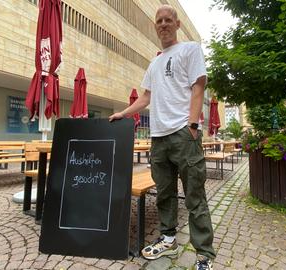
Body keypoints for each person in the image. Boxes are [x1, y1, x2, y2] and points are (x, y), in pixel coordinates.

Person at [109, 5, 215, 269]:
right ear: (155, 26)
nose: (164, 24)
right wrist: (123, 113)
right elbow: (146, 97)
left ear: (177, 24)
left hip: (183, 133)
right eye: (160, 21)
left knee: (195, 196)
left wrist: (192, 125)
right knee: (164, 194)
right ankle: (168, 238)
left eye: (169, 20)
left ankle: (204, 253)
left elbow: (198, 86)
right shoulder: (154, 62)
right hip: (159, 138)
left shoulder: (190, 49)